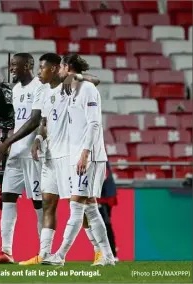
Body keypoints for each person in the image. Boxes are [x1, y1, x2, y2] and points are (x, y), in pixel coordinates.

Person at [19, 53, 101, 265]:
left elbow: (95, 80)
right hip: (50, 155)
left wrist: (75, 77)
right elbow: (45, 121)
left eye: (42, 68)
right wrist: (38, 137)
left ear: (55, 68)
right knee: (48, 203)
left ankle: (99, 249)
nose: (38, 72)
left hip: (69, 155)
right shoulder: (44, 91)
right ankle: (44, 254)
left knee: (80, 204)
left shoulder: (71, 85)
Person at [42, 53, 115, 266]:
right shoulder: (71, 89)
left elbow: (93, 124)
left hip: (88, 155)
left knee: (76, 205)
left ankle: (60, 255)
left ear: (66, 66)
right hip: (77, 155)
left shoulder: (88, 89)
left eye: (62, 67)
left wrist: (85, 153)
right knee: (90, 206)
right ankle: (108, 256)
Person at [0, 53, 46, 264]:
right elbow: (16, 122)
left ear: (28, 65)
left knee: (39, 202)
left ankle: (44, 252)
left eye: (15, 65)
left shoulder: (40, 86)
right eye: (10, 65)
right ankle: (6, 251)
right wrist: (5, 141)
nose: (11, 69)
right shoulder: (16, 90)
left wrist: (8, 143)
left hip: (33, 154)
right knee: (7, 197)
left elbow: (35, 120)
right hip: (16, 153)